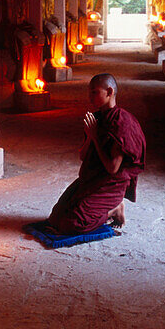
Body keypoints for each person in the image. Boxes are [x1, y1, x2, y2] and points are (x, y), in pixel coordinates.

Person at [48, 74, 146, 234]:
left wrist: (95, 136)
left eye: (94, 92)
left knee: (70, 225)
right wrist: (90, 137)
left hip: (110, 185)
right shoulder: (96, 118)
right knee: (55, 219)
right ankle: (101, 209)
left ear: (109, 92)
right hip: (90, 180)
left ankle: (114, 209)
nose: (90, 97)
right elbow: (82, 156)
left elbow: (113, 168)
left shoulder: (122, 123)